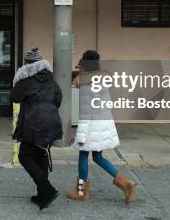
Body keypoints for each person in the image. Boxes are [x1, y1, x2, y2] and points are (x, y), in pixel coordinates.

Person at [66, 50, 136, 204]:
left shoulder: (86, 83)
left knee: (83, 155)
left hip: (90, 126)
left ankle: (81, 193)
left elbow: (86, 112)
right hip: (102, 124)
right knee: (97, 156)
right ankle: (126, 183)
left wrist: (81, 136)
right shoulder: (102, 79)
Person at [12, 47, 63, 210]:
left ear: (27, 64)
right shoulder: (51, 80)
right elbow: (58, 99)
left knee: (24, 156)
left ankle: (47, 190)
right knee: (40, 155)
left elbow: (15, 97)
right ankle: (42, 196)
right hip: (52, 121)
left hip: (33, 122)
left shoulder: (27, 80)